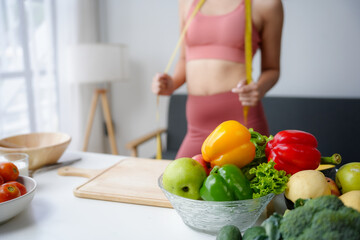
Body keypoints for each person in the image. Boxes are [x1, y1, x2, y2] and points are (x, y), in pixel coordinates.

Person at [152, 0, 283, 159]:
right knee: (173, 182)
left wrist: (259, 88)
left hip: (242, 126)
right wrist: (171, 83)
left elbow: (272, 69)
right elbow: (184, 58)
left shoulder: (266, 4)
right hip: (196, 128)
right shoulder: (187, 2)